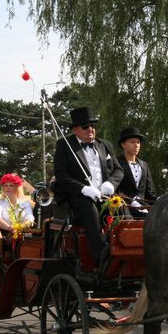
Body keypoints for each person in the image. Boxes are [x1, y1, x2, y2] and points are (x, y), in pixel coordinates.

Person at [53, 106, 123, 266]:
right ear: (76, 129)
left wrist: (110, 183)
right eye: (85, 126)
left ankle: (126, 248)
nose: (90, 129)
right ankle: (102, 255)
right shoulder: (64, 145)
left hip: (104, 196)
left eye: (93, 126)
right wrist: (83, 188)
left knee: (123, 210)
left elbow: (118, 170)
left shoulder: (105, 145)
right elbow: (61, 175)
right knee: (89, 208)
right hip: (76, 198)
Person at [116, 127, 156, 217]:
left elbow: (149, 192)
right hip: (124, 206)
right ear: (123, 145)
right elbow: (115, 189)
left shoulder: (144, 165)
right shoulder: (116, 163)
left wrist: (160, 200)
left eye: (138, 142)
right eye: (132, 142)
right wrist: (131, 201)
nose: (136, 145)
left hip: (143, 205)